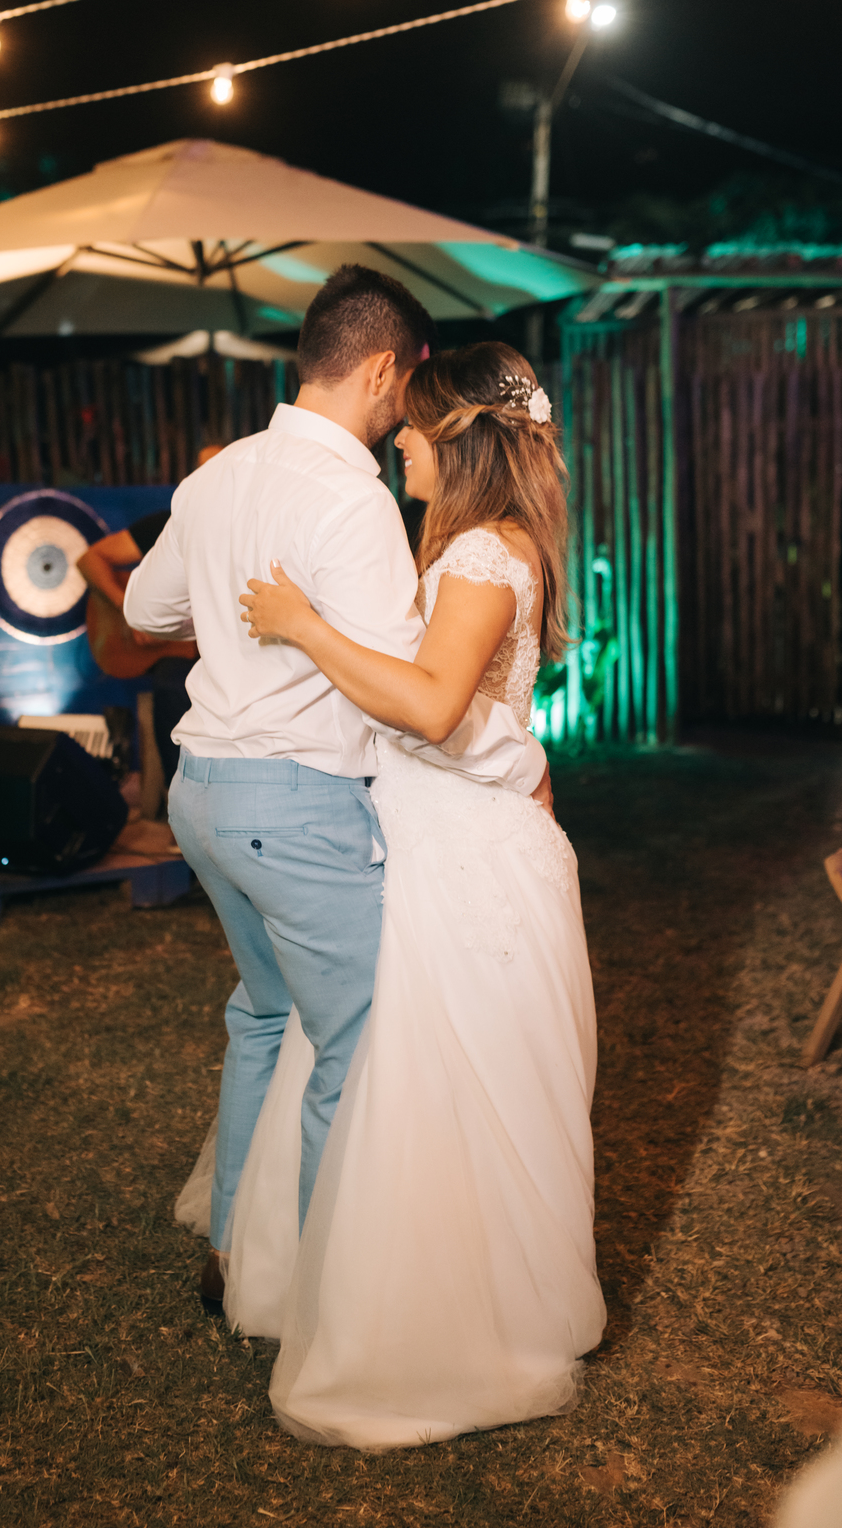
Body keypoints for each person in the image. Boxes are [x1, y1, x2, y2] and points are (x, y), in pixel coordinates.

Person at [123, 266, 551, 1313]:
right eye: (404, 390)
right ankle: (319, 1295)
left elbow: (142, 607)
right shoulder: (354, 501)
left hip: (201, 796)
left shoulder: (219, 475)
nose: (406, 419)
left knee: (265, 1013)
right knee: (357, 1042)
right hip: (295, 804)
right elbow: (416, 685)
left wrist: (235, 625)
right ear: (380, 369)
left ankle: (235, 1251)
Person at [229, 338, 606, 1449]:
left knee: (439, 1086)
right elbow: (476, 714)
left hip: (463, 865)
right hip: (449, 833)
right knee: (415, 1071)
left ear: (459, 439)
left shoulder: (488, 554)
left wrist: (304, 626)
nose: (396, 437)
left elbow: (435, 705)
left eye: (415, 426)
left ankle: (434, 1316)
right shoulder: (483, 546)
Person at [77, 445, 221, 788]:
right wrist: (126, 606)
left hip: (213, 652)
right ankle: (180, 800)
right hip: (178, 657)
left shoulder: (246, 530)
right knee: (172, 684)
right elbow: (89, 560)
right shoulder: (167, 525)